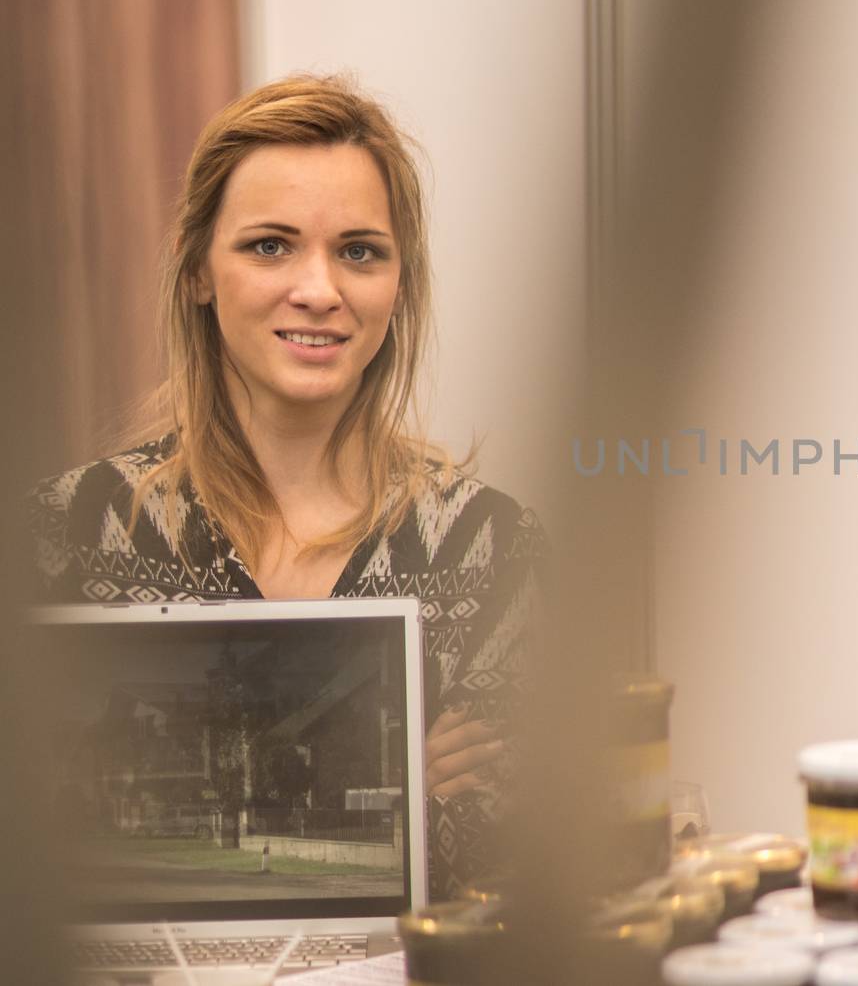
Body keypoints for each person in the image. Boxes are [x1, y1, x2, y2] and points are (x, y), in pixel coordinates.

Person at [27, 75, 544, 900]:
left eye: (359, 251)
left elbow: (543, 869)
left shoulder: (494, 548)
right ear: (198, 271)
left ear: (398, 284)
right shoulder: (62, 532)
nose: (320, 290)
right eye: (270, 245)